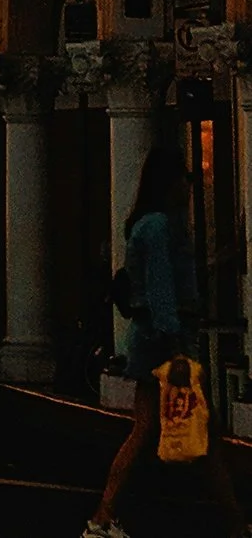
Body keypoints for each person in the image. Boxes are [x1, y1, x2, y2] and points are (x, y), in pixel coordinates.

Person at [87, 144, 245, 538]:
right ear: (169, 182)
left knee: (152, 429)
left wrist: (217, 261)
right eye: (183, 179)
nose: (188, 187)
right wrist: (175, 346)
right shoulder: (159, 226)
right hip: (166, 341)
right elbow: (161, 289)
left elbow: (165, 282)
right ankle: (235, 524)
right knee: (184, 432)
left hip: (153, 337)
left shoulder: (149, 225)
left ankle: (104, 516)